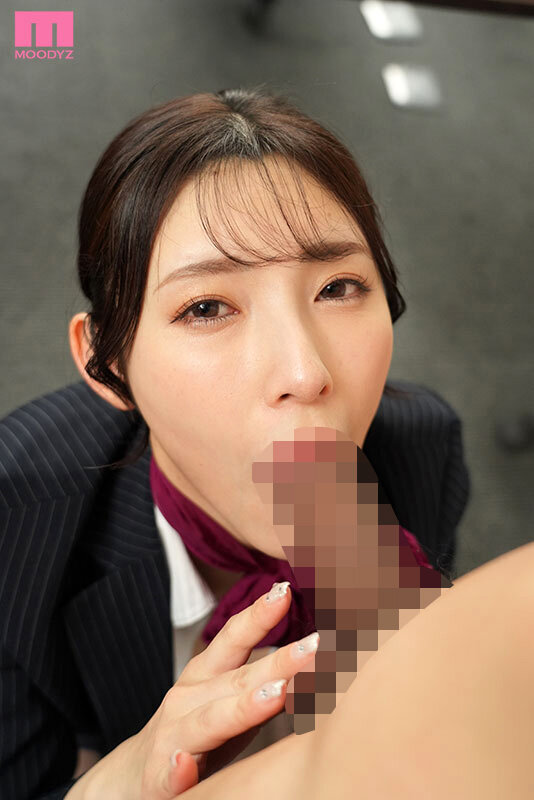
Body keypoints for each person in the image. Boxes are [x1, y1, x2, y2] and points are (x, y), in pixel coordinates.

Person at [1, 84, 503, 800]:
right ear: (105, 363)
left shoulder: (423, 449)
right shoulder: (16, 522)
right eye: (207, 306)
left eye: (338, 288)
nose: (305, 372)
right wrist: (115, 782)